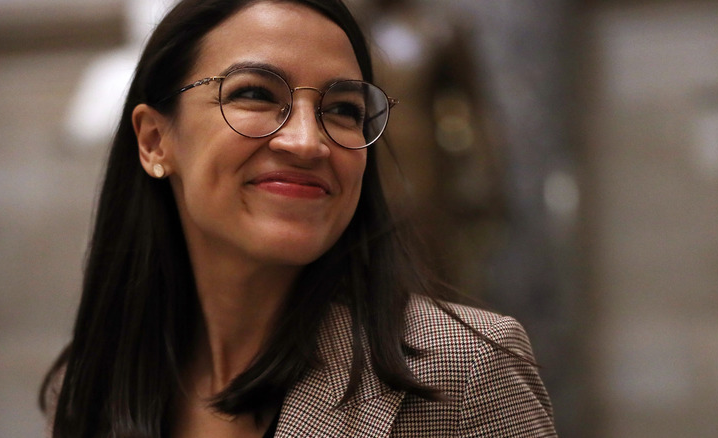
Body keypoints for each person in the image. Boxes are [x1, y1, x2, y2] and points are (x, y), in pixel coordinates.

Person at [40, 0, 557, 437]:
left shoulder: (465, 372)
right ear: (155, 140)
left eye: (343, 110)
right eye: (255, 95)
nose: (308, 142)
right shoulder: (90, 385)